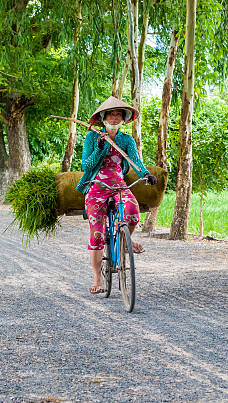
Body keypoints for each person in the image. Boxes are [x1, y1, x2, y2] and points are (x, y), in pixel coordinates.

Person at [76, 96, 157, 294]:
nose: (114, 117)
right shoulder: (92, 137)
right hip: (95, 186)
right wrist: (100, 149)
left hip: (119, 185)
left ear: (123, 118)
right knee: (97, 235)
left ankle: (124, 242)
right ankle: (97, 279)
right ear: (104, 117)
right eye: (111, 114)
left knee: (132, 213)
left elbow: (136, 161)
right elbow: (86, 165)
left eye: (118, 114)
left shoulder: (126, 139)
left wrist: (145, 174)